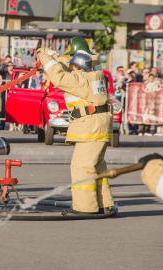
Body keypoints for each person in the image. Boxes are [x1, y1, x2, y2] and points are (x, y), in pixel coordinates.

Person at [37, 48, 116, 217]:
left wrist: (44, 58)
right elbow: (72, 66)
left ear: (78, 68)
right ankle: (104, 203)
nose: (71, 69)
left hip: (90, 126)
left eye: (73, 67)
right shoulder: (95, 75)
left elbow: (59, 77)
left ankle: (85, 207)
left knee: (82, 167)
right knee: (97, 166)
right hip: (99, 126)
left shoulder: (80, 80)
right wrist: (55, 56)